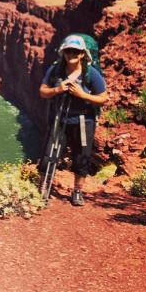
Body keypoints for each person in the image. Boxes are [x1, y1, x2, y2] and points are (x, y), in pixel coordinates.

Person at [39, 34, 108, 206]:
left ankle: (77, 192)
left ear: (82, 54)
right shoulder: (56, 71)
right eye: (68, 51)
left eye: (76, 52)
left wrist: (82, 94)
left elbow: (103, 98)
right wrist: (57, 89)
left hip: (84, 123)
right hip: (59, 120)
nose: (72, 55)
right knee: (49, 156)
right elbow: (42, 91)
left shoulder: (90, 73)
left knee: (81, 158)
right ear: (63, 52)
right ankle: (43, 189)